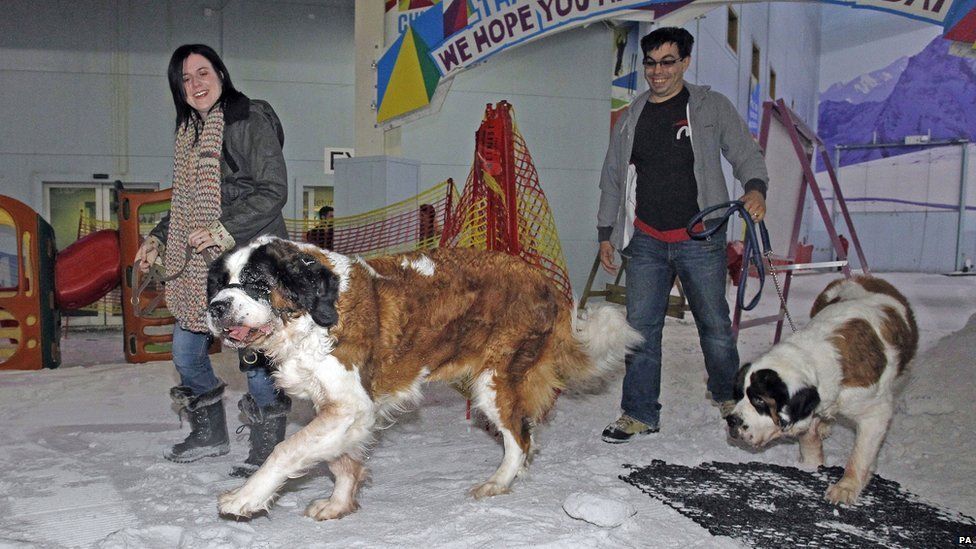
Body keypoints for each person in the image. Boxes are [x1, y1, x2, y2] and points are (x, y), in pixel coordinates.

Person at [596, 27, 769, 443]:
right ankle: (639, 412)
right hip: (646, 239)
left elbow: (746, 152)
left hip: (701, 237)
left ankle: (732, 398)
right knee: (641, 330)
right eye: (651, 62)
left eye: (667, 62)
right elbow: (613, 179)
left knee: (713, 325)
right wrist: (606, 232)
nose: (658, 71)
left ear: (685, 62)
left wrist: (755, 188)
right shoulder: (631, 117)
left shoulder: (710, 107)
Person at [134, 44, 292, 476]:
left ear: (221, 74)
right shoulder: (191, 134)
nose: (195, 84)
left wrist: (226, 230)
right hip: (203, 266)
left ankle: (269, 449)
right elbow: (187, 205)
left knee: (255, 357)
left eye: (202, 73)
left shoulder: (247, 119)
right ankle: (210, 432)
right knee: (186, 353)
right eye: (185, 79)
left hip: (251, 256)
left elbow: (272, 189)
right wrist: (158, 237)